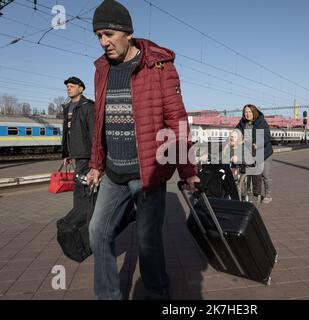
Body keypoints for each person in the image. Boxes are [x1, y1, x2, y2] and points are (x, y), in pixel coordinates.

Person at [86, 0, 199, 300]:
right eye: (98, 35)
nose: (103, 42)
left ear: (126, 32)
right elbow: (101, 120)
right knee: (98, 232)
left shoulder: (159, 65)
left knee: (148, 243)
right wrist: (96, 164)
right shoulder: (101, 70)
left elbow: (177, 119)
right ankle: (108, 296)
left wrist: (188, 170)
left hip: (147, 173)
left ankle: (158, 292)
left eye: (108, 34)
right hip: (113, 172)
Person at [61, 76, 95, 207]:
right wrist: (67, 154)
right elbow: (68, 132)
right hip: (75, 152)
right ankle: (82, 212)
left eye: (72, 86)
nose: (68, 89)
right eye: (67, 87)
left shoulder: (88, 106)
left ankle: (79, 215)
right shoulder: (67, 107)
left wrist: (95, 156)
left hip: (85, 153)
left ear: (80, 89)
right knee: (81, 184)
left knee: (80, 185)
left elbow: (93, 132)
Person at [236, 104, 273, 204]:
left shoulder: (261, 121)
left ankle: (268, 195)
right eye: (245, 112)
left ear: (254, 112)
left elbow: (266, 135)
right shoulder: (242, 123)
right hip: (250, 152)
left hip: (264, 152)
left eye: (249, 112)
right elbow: (236, 131)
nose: (247, 114)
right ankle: (248, 192)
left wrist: (258, 144)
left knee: (265, 175)